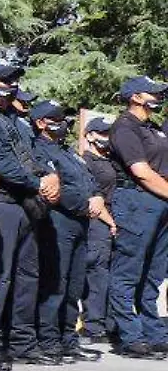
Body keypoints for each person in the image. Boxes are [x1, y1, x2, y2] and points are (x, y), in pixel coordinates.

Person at [0, 59, 58, 367]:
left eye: (13, 79)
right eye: (4, 79)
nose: (11, 85)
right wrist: (38, 182)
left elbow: (35, 155)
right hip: (1, 202)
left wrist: (49, 176)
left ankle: (22, 341)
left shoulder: (17, 121)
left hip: (27, 204)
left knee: (28, 275)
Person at [28, 101, 101, 363]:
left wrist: (97, 197)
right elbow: (55, 191)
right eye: (55, 118)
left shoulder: (68, 151)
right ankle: (48, 340)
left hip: (80, 222)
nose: (63, 122)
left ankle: (67, 339)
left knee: (74, 285)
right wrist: (84, 202)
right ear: (41, 123)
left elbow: (89, 181)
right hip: (58, 221)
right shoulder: (38, 150)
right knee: (55, 284)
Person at [104, 77, 168, 358]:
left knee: (153, 273)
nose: (158, 96)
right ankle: (130, 336)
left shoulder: (152, 128)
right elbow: (141, 171)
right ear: (134, 97)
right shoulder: (125, 127)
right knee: (128, 271)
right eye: (152, 92)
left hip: (161, 202)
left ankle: (153, 333)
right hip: (137, 201)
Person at [79, 116, 120, 345]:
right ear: (90, 135)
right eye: (103, 133)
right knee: (97, 274)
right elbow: (93, 199)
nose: (107, 138)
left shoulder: (111, 159)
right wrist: (110, 222)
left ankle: (110, 324)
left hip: (114, 221)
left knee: (111, 275)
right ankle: (93, 325)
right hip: (99, 222)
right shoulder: (86, 161)